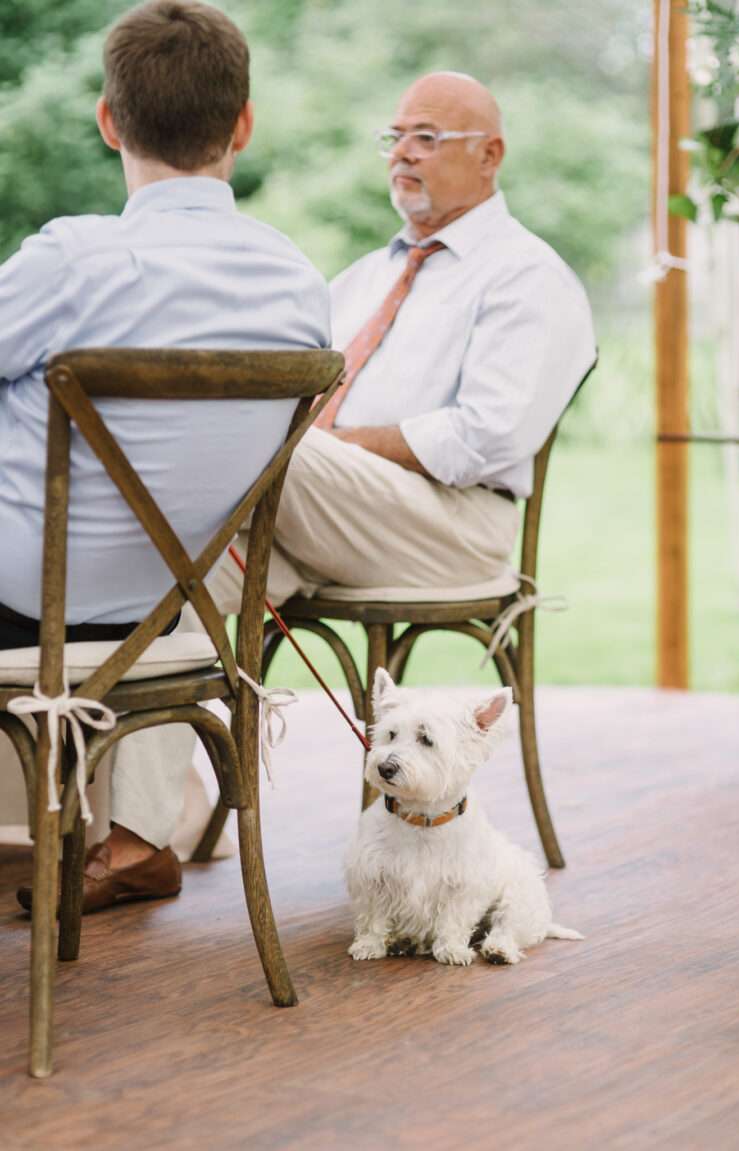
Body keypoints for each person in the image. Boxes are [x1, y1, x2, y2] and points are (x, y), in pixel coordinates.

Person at [25, 69, 597, 912]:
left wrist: (302, 442)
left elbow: (487, 435)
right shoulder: (365, 273)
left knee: (258, 447)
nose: (402, 153)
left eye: (428, 138)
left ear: (492, 155)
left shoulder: (526, 275)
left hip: (451, 526)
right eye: (395, 136)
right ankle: (135, 839)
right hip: (324, 517)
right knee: (173, 574)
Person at [2, 0, 329, 911]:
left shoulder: (72, 260)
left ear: (108, 121)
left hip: (27, 609)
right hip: (168, 614)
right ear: (243, 125)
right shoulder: (297, 285)